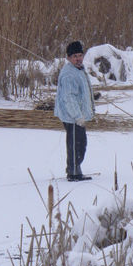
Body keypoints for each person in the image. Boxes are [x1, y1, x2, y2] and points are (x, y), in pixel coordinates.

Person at [54, 41, 95, 181]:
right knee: (75, 144)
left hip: (78, 114)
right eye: (75, 56)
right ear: (69, 58)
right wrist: (77, 116)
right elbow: (68, 98)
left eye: (80, 55)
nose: (78, 58)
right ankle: (73, 173)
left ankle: (75, 169)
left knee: (81, 143)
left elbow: (79, 91)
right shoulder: (69, 74)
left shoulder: (79, 69)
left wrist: (90, 98)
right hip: (72, 116)